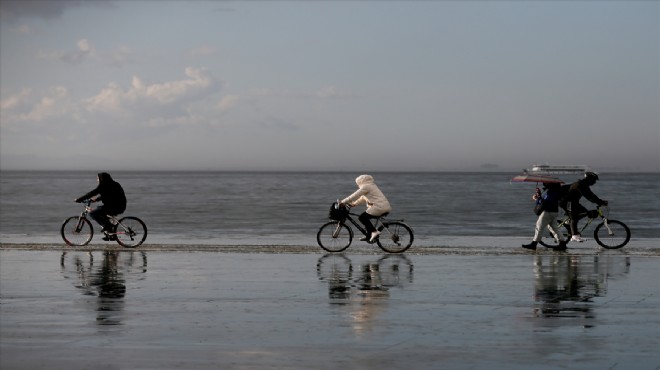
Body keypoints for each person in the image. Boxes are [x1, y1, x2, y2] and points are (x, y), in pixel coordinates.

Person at [75, 172, 127, 241]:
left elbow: (92, 193)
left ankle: (108, 226)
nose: (97, 180)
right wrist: (95, 199)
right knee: (99, 209)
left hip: (115, 207)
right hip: (119, 205)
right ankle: (110, 234)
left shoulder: (103, 185)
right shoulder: (113, 184)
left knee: (92, 213)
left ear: (102, 179)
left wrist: (79, 199)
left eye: (98, 178)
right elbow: (108, 195)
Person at [340, 174, 392, 243]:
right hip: (382, 206)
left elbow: (355, 195)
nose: (357, 184)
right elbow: (363, 197)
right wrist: (354, 204)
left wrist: (343, 202)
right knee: (365, 218)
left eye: (358, 183)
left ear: (361, 181)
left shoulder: (366, 186)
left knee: (362, 217)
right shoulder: (371, 186)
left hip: (380, 207)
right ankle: (368, 235)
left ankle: (374, 232)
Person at [559, 172, 608, 242]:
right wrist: (600, 202)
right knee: (574, 217)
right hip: (566, 202)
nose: (594, 182)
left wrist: (600, 201)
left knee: (585, 212)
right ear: (589, 179)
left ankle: (569, 222)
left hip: (573, 202)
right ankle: (574, 236)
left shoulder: (584, 184)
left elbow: (591, 195)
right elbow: (589, 197)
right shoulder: (580, 185)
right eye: (594, 180)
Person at [522, 182, 567, 251]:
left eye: (546, 184)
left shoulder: (551, 192)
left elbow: (545, 202)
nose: (545, 185)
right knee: (554, 227)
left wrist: (538, 198)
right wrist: (539, 197)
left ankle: (534, 244)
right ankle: (562, 243)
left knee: (539, 226)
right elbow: (544, 201)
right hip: (554, 212)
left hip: (548, 212)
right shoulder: (556, 191)